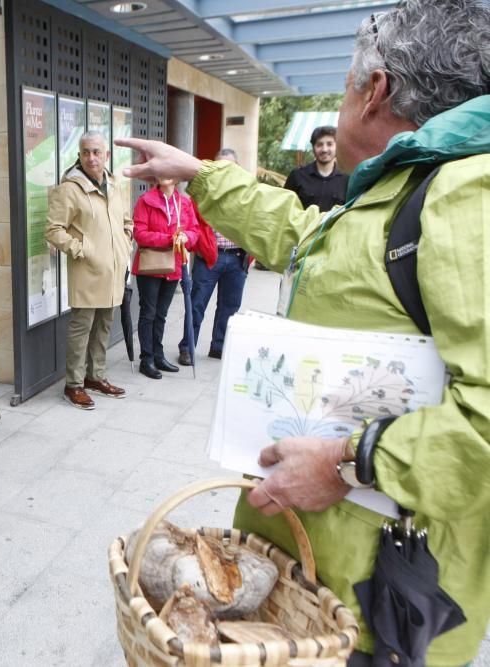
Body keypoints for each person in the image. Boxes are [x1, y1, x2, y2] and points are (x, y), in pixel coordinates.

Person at [116, 1, 490, 662]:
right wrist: (201, 175)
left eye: (348, 82)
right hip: (317, 579)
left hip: (374, 608)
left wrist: (348, 463)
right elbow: (309, 235)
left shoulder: (466, 196)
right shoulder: (405, 191)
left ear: (374, 91)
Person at [45, 131, 132, 409]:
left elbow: (126, 221)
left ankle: (96, 377)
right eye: (85, 152)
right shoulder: (70, 188)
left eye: (96, 152)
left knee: (104, 326)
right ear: (79, 155)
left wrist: (126, 241)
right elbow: (53, 229)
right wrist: (80, 249)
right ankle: (74, 384)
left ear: (106, 155)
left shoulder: (116, 185)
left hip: (113, 270)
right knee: (81, 328)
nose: (91, 157)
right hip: (87, 271)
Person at [177, 148, 249, 366]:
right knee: (196, 304)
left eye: (230, 166)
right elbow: (192, 224)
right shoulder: (201, 194)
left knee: (230, 307)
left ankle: (219, 346)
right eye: (219, 165)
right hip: (209, 258)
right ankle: (187, 348)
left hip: (237, 258)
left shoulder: (246, 195)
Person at [130, 177, 198, 380]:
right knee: (148, 313)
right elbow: (139, 233)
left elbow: (195, 231)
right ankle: (147, 359)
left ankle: (158, 355)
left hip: (174, 265)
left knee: (161, 314)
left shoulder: (184, 202)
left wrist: (187, 237)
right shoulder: (145, 200)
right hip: (150, 265)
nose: (165, 175)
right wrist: (169, 239)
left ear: (176, 177)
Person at [283, 125, 349, 211]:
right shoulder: (297, 176)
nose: (324, 149)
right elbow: (286, 208)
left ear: (337, 146)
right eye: (319, 145)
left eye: (329, 144)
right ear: (313, 148)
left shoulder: (347, 179)